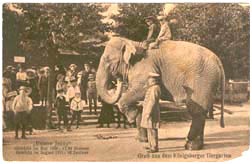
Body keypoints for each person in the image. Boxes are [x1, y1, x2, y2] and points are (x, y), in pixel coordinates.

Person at [141, 72, 161, 153]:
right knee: (149, 128)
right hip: (150, 110)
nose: (148, 81)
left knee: (152, 129)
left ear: (153, 80)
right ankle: (151, 145)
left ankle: (154, 147)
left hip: (152, 112)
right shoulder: (152, 88)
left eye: (149, 79)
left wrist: (148, 112)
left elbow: (152, 101)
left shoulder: (155, 88)